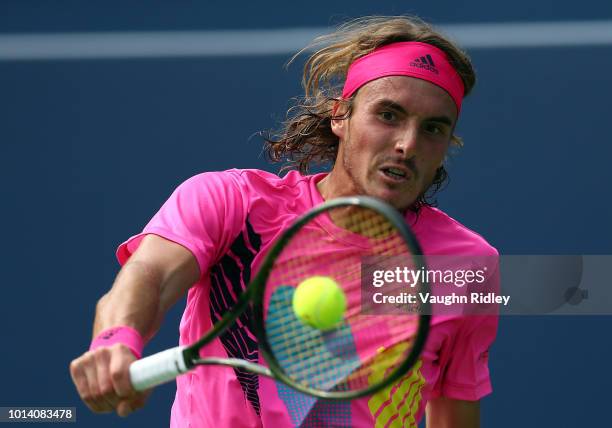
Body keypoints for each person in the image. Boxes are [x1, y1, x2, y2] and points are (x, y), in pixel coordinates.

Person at [70, 15, 498, 427]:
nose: (407, 144)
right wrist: (115, 340)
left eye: (433, 129)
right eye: (388, 115)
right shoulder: (231, 202)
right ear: (340, 116)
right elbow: (150, 272)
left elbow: (454, 410)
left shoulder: (465, 266)